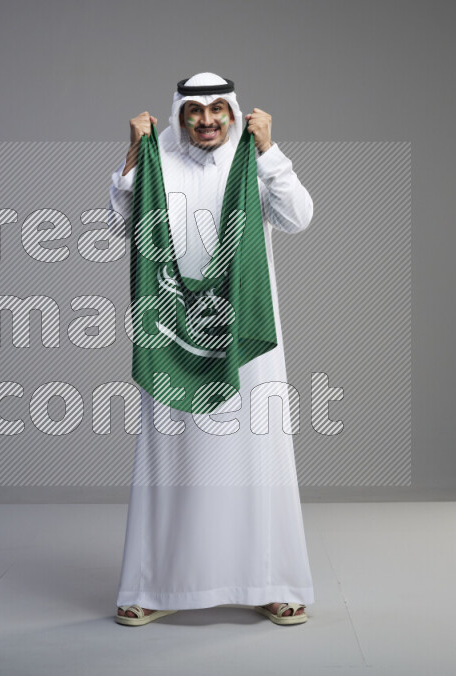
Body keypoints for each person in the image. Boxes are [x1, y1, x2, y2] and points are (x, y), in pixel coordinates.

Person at [106, 72, 315, 626]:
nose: (206, 122)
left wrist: (270, 152)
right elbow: (123, 223)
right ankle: (152, 586)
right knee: (168, 460)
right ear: (178, 116)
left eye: (218, 111)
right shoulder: (158, 163)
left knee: (257, 459)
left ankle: (271, 583)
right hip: (174, 336)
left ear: (234, 113)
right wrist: (133, 156)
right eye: (195, 113)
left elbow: (299, 218)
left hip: (246, 337)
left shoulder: (253, 162)